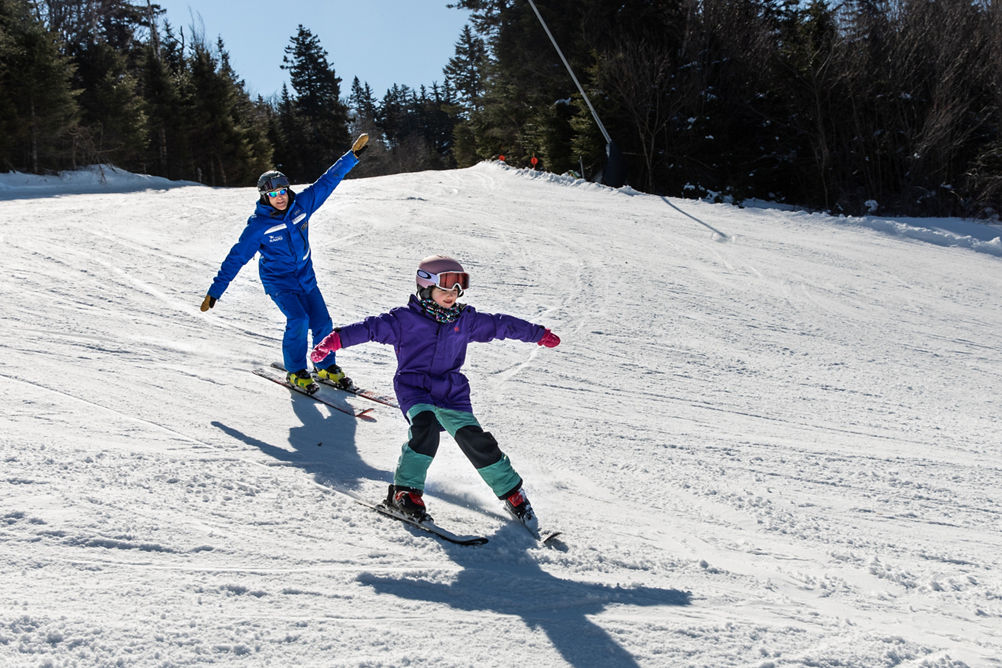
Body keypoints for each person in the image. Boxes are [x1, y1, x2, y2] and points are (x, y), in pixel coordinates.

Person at [309, 255, 561, 532]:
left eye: (456, 290)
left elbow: (501, 324)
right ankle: (404, 493)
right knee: (425, 429)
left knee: (475, 440)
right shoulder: (403, 320)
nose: (451, 295)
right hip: (414, 388)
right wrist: (334, 341)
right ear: (426, 288)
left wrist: (537, 333)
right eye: (444, 289)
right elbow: (369, 329)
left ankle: (513, 493)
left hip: (452, 392)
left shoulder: (465, 320)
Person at [200, 134, 369, 393]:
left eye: (282, 192)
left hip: (305, 277)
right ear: (264, 197)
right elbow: (236, 258)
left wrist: (352, 156)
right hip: (279, 281)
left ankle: (324, 366)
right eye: (273, 194)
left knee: (322, 322)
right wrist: (215, 291)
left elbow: (328, 180)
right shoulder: (258, 227)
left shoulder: (302, 205)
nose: (280, 198)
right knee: (299, 319)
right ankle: (296, 371)